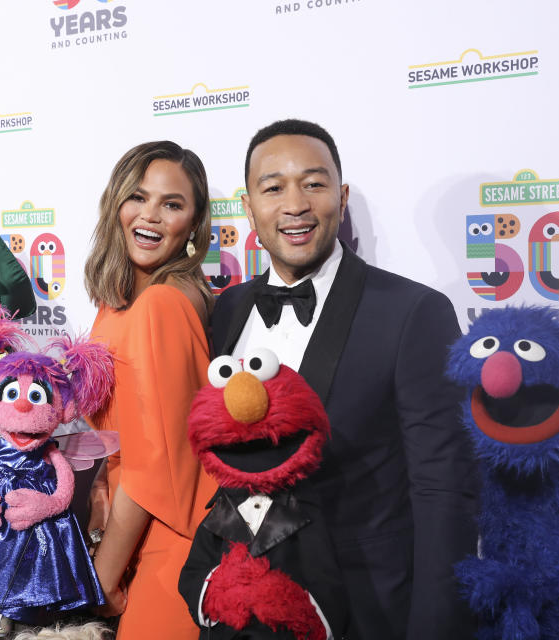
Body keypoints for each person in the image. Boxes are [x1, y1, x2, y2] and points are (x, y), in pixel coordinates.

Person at [210, 119, 479, 639]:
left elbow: (445, 489)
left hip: (368, 607)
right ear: (248, 207)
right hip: (245, 610)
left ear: (342, 195)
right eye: (273, 188)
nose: (295, 204)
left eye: (314, 183)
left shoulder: (413, 312)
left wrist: (437, 625)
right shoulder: (230, 308)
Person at [84, 141, 219, 639]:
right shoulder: (116, 303)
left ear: (194, 225)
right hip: (125, 529)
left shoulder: (164, 302)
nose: (151, 216)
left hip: (169, 541)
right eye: (138, 197)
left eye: (173, 204)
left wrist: (102, 577)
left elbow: (154, 463)